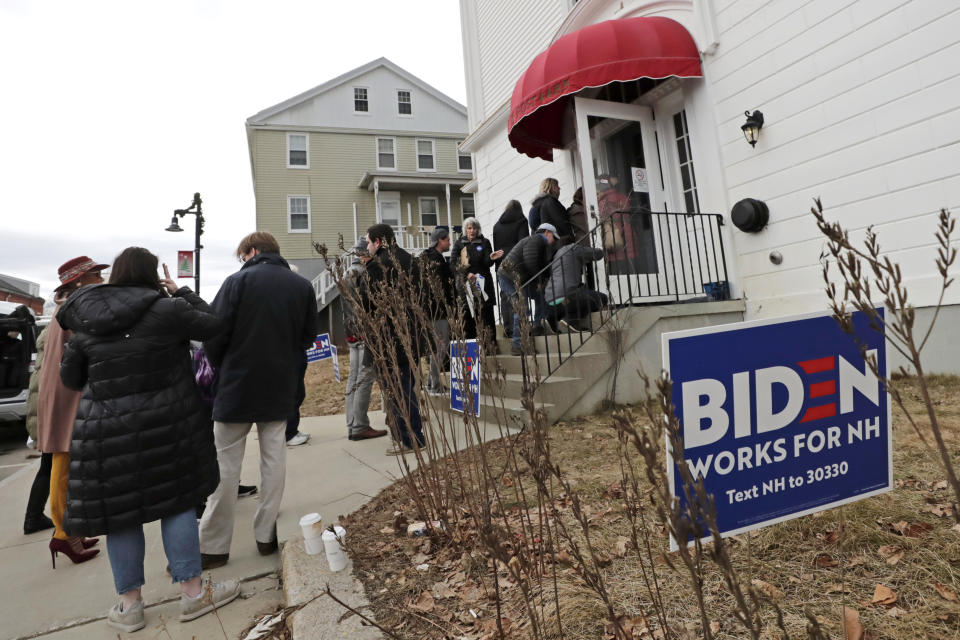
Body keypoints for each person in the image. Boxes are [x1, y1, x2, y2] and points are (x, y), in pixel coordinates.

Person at [58, 248, 238, 633]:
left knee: (120, 515)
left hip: (105, 435)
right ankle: (192, 594)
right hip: (169, 424)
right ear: (152, 275)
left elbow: (71, 379)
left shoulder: (86, 319)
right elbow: (214, 323)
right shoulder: (167, 309)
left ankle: (130, 606)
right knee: (177, 503)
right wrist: (180, 293)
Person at [199, 231, 318, 568]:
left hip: (236, 385)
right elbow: (308, 336)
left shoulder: (236, 282)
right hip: (280, 385)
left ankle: (213, 546)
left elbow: (213, 332)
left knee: (224, 466)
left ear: (251, 251)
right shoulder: (301, 287)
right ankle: (266, 535)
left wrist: (225, 367)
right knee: (274, 460)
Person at [37, 256, 107, 565]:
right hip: (69, 392)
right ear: (78, 281)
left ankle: (71, 529)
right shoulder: (74, 308)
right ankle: (63, 535)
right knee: (63, 462)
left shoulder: (65, 306)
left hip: (65, 389)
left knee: (67, 462)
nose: (100, 279)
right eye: (95, 274)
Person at [359, 224, 424, 455]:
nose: (367, 246)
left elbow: (366, 303)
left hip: (389, 337)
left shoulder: (378, 267)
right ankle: (411, 435)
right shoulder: (410, 260)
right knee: (407, 386)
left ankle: (410, 439)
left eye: (368, 241)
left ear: (377, 242)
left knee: (398, 390)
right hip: (412, 334)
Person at [341, 238, 386, 440]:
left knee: (353, 378)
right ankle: (360, 425)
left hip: (350, 332)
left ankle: (351, 423)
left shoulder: (345, 275)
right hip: (364, 331)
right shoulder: (363, 274)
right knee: (365, 378)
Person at [498, 223, 558, 356]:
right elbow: (531, 260)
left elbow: (536, 263)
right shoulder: (536, 239)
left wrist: (541, 280)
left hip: (518, 277)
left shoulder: (538, 243)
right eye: (554, 237)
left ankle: (537, 326)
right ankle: (518, 345)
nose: (554, 241)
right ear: (547, 232)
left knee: (540, 296)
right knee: (522, 308)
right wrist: (538, 281)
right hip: (508, 277)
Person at [451, 217, 503, 349]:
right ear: (465, 230)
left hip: (483, 283)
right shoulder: (458, 244)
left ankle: (490, 346)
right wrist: (466, 274)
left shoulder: (484, 242)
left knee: (486, 315)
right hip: (466, 285)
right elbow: (453, 264)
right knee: (468, 316)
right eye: (469, 228)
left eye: (474, 228)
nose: (472, 230)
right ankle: (471, 348)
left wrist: (491, 258)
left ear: (478, 229)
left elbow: (486, 262)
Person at [23, 320, 54, 535]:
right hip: (50, 411)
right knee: (52, 465)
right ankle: (34, 517)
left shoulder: (47, 334)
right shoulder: (58, 333)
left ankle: (33, 516)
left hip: (42, 409)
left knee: (49, 465)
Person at [419, 227, 455, 395]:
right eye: (448, 239)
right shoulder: (436, 260)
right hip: (437, 310)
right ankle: (434, 384)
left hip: (429, 309)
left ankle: (431, 383)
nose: (449, 242)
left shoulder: (427, 257)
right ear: (440, 240)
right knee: (440, 346)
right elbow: (441, 287)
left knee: (437, 346)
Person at [543, 243, 608, 332]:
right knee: (602, 298)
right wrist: (605, 250)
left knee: (567, 301)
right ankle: (571, 320)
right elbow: (597, 254)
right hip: (567, 296)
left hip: (551, 301)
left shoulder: (556, 257)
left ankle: (551, 318)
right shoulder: (573, 248)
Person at [492, 200, 529, 338]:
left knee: (505, 296)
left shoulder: (497, 226)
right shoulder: (521, 221)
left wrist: (498, 268)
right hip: (516, 263)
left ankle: (508, 328)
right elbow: (523, 243)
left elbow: (497, 250)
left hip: (502, 264)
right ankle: (520, 331)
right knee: (519, 295)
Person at [285, 265, 311, 447]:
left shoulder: (295, 296)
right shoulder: (284, 299)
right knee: (292, 393)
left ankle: (291, 430)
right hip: (289, 352)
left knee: (298, 393)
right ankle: (289, 433)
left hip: (296, 350)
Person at [530, 178, 573, 242]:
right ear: (553, 188)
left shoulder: (535, 205)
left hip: (544, 243)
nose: (559, 188)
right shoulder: (550, 202)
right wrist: (571, 238)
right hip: (557, 242)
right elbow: (561, 222)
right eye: (557, 186)